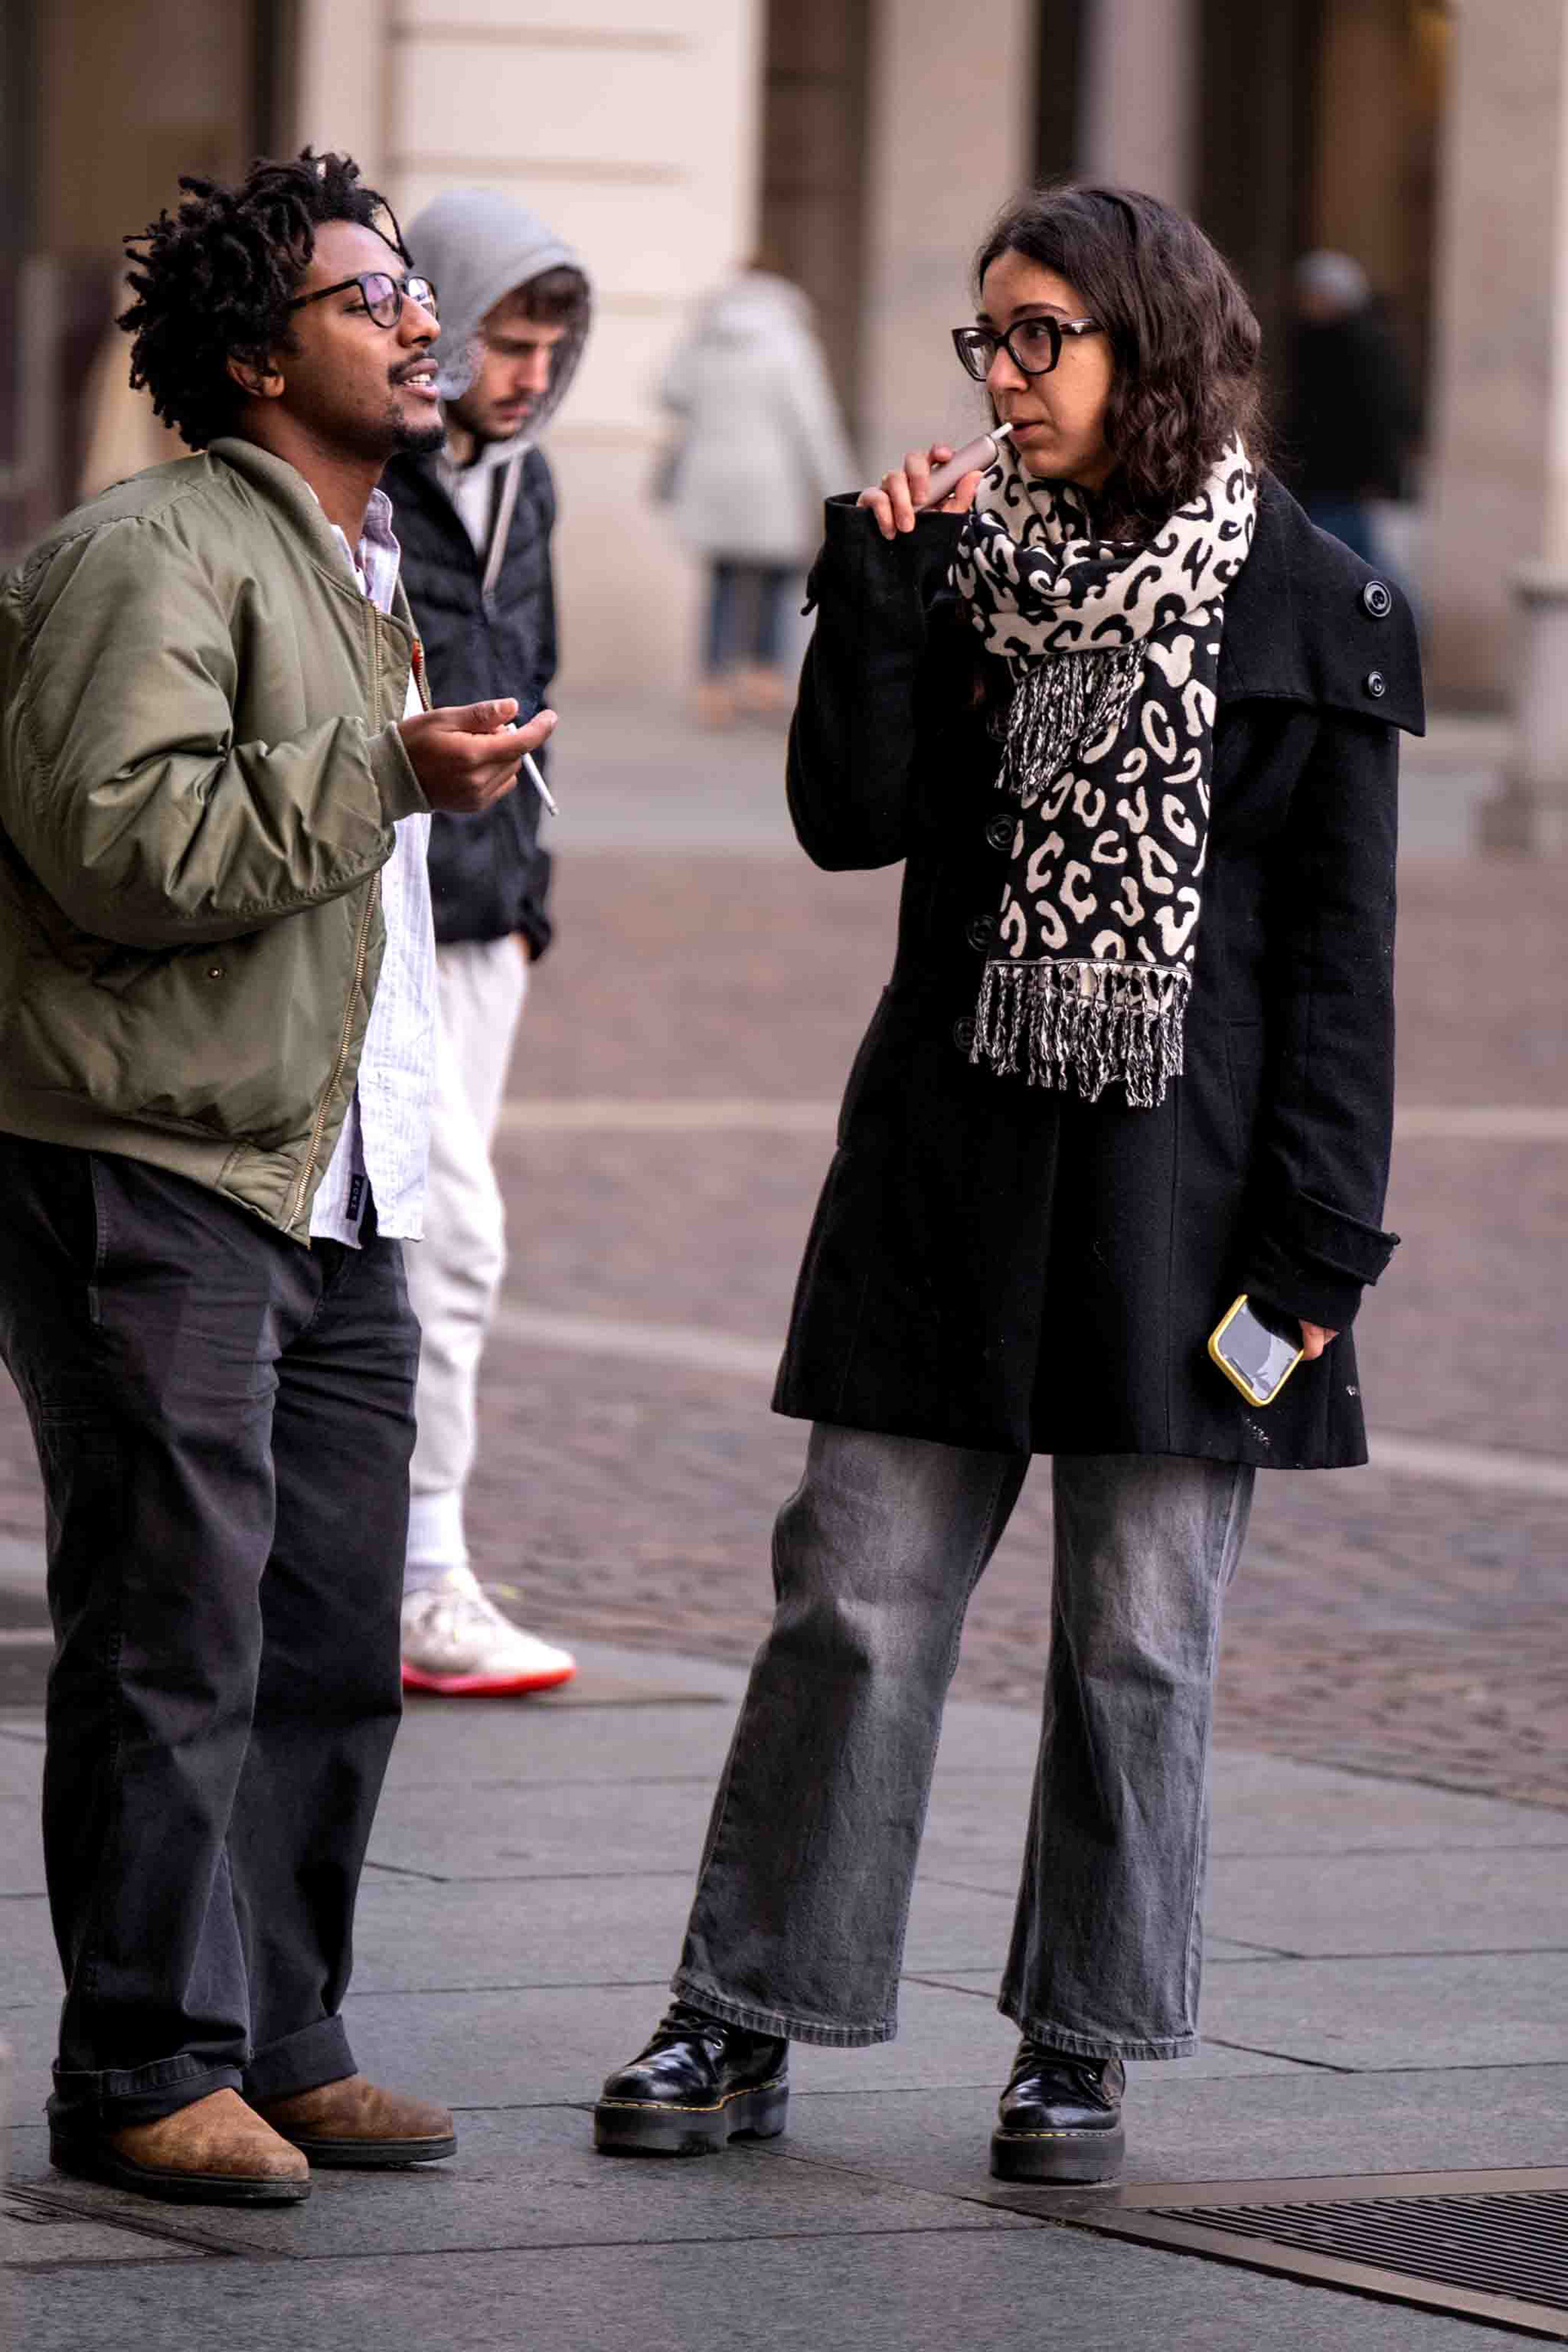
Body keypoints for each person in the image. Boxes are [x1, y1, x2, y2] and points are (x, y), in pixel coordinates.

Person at [595, 185, 1423, 2185]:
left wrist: (1317, 1256)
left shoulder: (1308, 604)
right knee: (852, 1598)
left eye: (1044, 333)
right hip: (949, 1170)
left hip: (1188, 1202)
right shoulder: (962, 570)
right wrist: (878, 595)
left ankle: (1082, 2043)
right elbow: (848, 819)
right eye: (990, 336)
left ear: (1153, 344)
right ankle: (744, 2007)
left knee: (1138, 1639)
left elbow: (1339, 970)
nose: (1005, 374)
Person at [0, 150, 555, 2206]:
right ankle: (141, 2060)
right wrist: (382, 771)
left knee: (326, 1629)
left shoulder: (365, 560)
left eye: (413, 289)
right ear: (255, 357)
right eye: (367, 297)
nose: (420, 321)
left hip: (341, 1177)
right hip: (159, 1164)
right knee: (175, 1624)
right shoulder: (149, 554)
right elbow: (117, 842)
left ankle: (282, 2034)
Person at [382, 190, 590, 1698]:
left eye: (549, 348)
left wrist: (527, 906)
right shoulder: (370, 479)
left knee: (418, 1252)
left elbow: (540, 683)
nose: (527, 374)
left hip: (482, 929)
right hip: (378, 909)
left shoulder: (532, 487)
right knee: (453, 1243)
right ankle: (421, 1579)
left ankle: (374, 1565)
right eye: (504, 341)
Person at [657, 265, 854, 725]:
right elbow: (813, 421)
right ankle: (763, 680)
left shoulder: (706, 335)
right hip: (771, 479)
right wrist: (841, 487)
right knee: (776, 578)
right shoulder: (788, 341)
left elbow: (670, 392)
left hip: (712, 476)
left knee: (723, 579)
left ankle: (713, 685)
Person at [1283, 248, 1419, 571]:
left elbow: (1380, 415)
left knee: (1358, 564)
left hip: (1349, 482)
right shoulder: (1317, 341)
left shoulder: (1363, 346)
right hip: (1326, 479)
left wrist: (1379, 476)